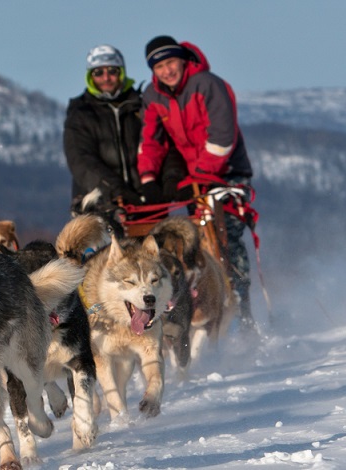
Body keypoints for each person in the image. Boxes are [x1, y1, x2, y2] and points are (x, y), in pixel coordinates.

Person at [137, 35, 256, 332]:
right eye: (160, 66)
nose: (167, 71)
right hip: (195, 180)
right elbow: (151, 141)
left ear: (182, 60)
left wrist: (203, 174)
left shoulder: (207, 84)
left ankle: (242, 309)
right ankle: (204, 307)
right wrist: (149, 179)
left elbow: (222, 137)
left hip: (226, 172)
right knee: (198, 244)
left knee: (226, 235)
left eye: (171, 62)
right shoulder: (154, 96)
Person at [63, 44, 186, 218]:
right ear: (90, 76)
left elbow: (164, 144)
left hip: (147, 204)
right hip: (99, 205)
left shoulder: (141, 105)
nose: (106, 78)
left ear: (121, 72)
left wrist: (169, 180)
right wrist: (116, 190)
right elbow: (80, 160)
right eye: (98, 72)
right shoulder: (80, 113)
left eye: (112, 71)